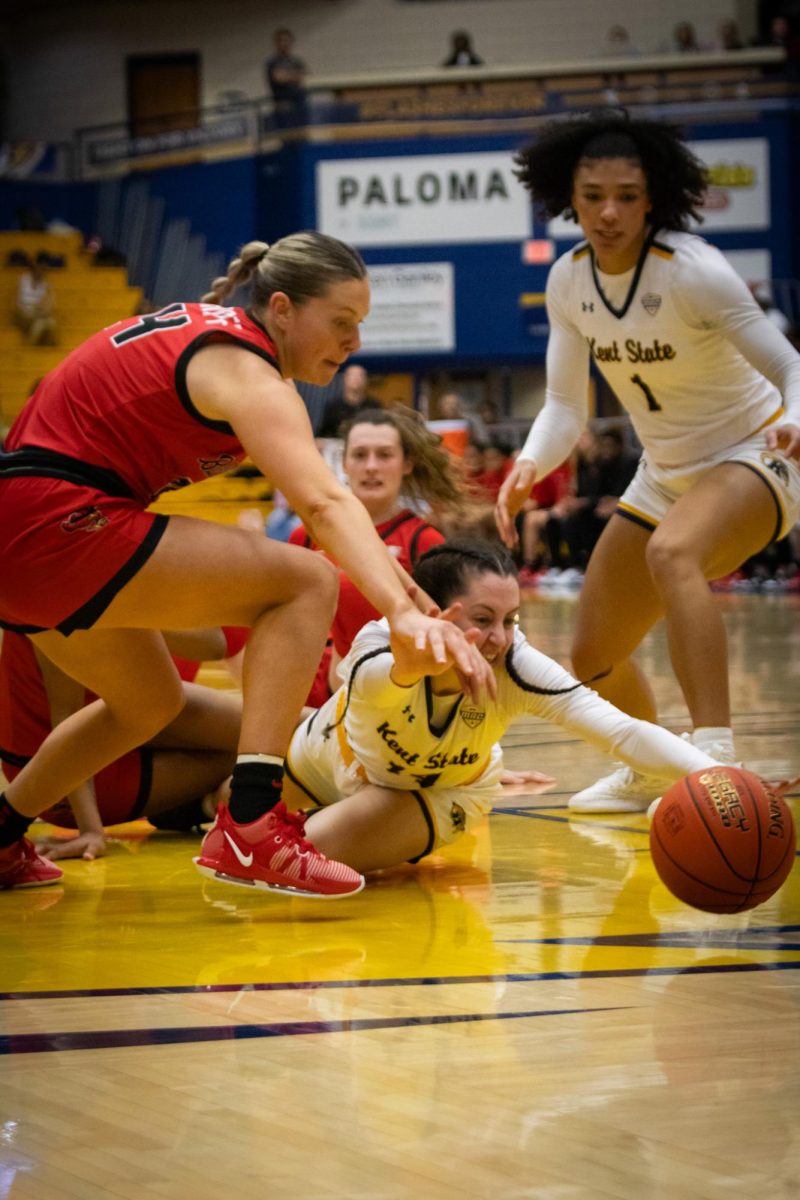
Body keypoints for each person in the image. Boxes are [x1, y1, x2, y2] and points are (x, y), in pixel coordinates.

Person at [0, 231, 492, 894]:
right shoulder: (246, 368)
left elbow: (333, 510)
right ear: (282, 309)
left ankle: (2, 835)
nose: (354, 343)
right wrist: (399, 611)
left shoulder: (223, 345)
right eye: (341, 323)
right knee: (304, 581)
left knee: (149, 702)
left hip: (28, 530)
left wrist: (411, 600)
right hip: (51, 519)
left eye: (360, 326)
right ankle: (253, 823)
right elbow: (321, 503)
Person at [495, 111, 800, 812]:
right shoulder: (569, 282)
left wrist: (796, 422)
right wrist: (528, 466)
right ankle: (650, 766)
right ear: (567, 197)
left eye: (627, 195)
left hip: (755, 450)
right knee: (593, 653)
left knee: (673, 553)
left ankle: (715, 754)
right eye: (594, 194)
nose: (609, 211)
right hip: (664, 472)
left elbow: (789, 367)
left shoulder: (694, 271)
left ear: (653, 197)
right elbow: (565, 408)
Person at [282, 541, 722, 873]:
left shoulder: (517, 664)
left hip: (430, 794)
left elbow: (622, 732)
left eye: (509, 620)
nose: (500, 638)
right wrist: (411, 667)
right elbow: (380, 689)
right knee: (227, 808)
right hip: (326, 748)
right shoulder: (376, 646)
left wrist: (721, 775)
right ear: (431, 612)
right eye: (482, 619)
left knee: (292, 858)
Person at [0, 628, 242, 861]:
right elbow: (66, 713)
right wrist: (90, 830)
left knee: (260, 750)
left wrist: (130, 609)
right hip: (57, 776)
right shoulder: (56, 599)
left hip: (126, 730)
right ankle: (202, 805)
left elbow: (214, 643)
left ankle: (199, 806)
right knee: (256, 751)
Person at [289, 405, 453, 702]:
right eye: (360, 455)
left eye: (385, 455)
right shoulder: (305, 535)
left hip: (386, 681)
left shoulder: (424, 541)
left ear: (407, 464)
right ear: (344, 463)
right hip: (304, 680)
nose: (371, 466)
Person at [316, 363, 381, 437]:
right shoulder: (334, 407)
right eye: (352, 376)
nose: (356, 379)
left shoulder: (374, 406)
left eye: (360, 376)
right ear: (345, 379)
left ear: (365, 380)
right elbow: (324, 433)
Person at [265, 27, 307, 127]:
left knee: (302, 132)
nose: (285, 44)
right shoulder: (273, 62)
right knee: (287, 135)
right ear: (276, 43)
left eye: (287, 40)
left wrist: (289, 76)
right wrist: (295, 76)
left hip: (300, 104)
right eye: (281, 41)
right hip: (283, 105)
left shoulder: (296, 61)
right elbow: (279, 78)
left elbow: (306, 76)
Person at [14, 252, 58, 346]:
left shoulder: (45, 283)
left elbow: (51, 304)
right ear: (34, 268)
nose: (42, 272)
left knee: (50, 323)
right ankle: (33, 349)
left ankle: (32, 347)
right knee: (46, 323)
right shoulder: (23, 280)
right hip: (24, 313)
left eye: (44, 269)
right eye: (40, 268)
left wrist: (41, 310)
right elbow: (16, 303)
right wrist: (29, 309)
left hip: (37, 313)